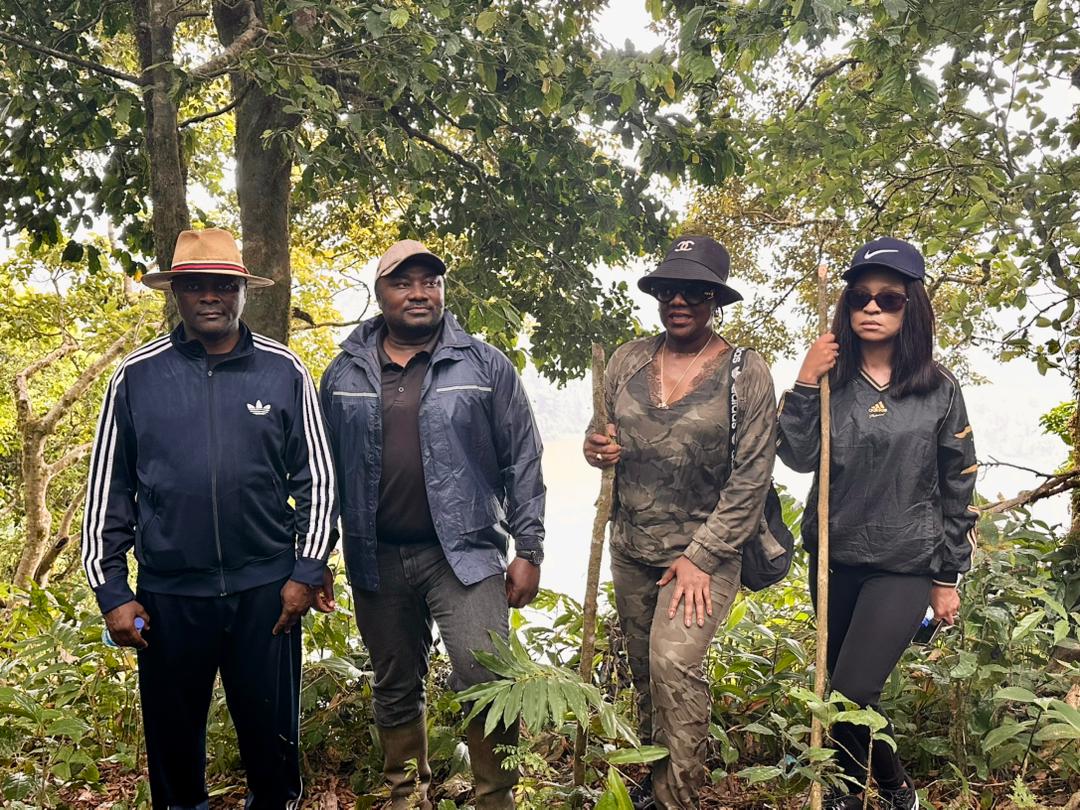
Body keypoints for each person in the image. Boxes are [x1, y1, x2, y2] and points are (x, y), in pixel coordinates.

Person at [82, 228, 337, 809]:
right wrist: (112, 592)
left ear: (242, 291)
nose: (210, 296)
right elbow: (108, 490)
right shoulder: (137, 376)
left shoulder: (283, 371)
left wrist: (305, 571)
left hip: (266, 596)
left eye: (223, 285)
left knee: (273, 748)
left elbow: (319, 481)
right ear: (176, 293)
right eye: (196, 285)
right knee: (173, 755)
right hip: (170, 600)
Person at [318, 239, 545, 810]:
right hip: (376, 556)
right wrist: (315, 555)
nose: (419, 293)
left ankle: (496, 799)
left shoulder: (485, 365)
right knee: (394, 683)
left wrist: (529, 548)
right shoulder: (342, 372)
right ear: (380, 294)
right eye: (403, 283)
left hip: (465, 554)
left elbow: (523, 458)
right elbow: (321, 472)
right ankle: (406, 796)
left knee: (486, 679)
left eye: (430, 282)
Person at [777, 237, 979, 810]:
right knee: (839, 688)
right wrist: (803, 381)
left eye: (888, 298)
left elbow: (959, 483)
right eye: (860, 297)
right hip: (833, 559)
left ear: (911, 307)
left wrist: (947, 577)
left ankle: (894, 790)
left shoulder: (939, 389)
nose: (871, 308)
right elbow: (796, 456)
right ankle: (847, 794)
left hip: (904, 563)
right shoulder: (830, 380)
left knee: (852, 689)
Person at [584, 235, 778, 810]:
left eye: (694, 291)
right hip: (632, 547)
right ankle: (654, 781)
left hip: (704, 553)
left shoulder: (745, 372)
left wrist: (702, 556)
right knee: (645, 671)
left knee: (673, 663)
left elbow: (752, 477)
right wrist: (596, 449)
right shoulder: (627, 360)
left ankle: (679, 797)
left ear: (714, 299)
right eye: (669, 289)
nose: (679, 301)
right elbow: (603, 438)